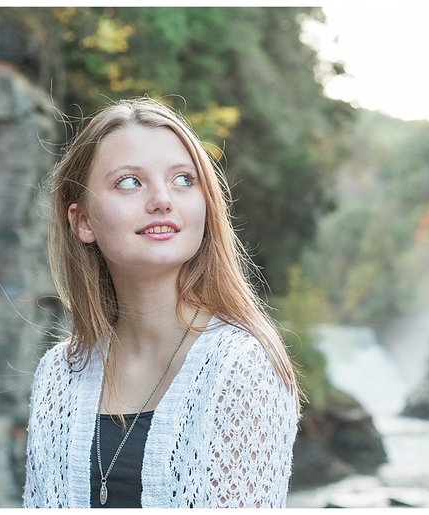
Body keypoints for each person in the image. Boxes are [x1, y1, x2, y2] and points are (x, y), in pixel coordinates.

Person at [23, 97, 300, 507]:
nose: (161, 200)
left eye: (183, 179)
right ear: (83, 221)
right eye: (129, 182)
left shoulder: (240, 365)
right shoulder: (58, 375)